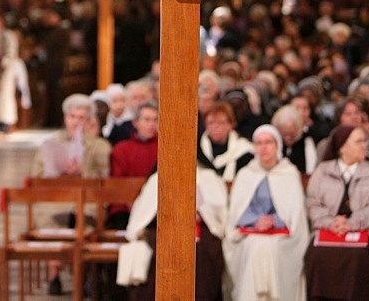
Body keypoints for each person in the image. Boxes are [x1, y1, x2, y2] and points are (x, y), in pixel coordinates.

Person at [30, 93, 111, 295]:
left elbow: (106, 178)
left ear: (89, 120)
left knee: (85, 220)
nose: (76, 121)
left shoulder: (100, 146)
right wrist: (57, 172)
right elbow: (36, 176)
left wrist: (82, 172)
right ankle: (54, 275)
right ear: (66, 118)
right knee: (49, 217)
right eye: (72, 117)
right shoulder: (50, 144)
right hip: (56, 199)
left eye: (81, 117)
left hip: (88, 200)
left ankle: (83, 274)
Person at [117, 164, 228, 301]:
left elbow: (216, 218)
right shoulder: (157, 178)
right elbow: (146, 215)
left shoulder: (207, 178)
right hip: (161, 229)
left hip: (201, 231)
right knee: (159, 251)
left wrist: (201, 215)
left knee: (204, 252)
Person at [223, 124, 308, 301]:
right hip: (249, 232)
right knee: (256, 245)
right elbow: (238, 211)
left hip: (282, 234)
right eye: (259, 143)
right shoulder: (246, 174)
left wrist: (273, 221)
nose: (263, 148)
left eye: (268, 142)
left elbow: (294, 212)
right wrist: (256, 221)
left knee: (267, 246)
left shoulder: (289, 173)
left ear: (277, 145)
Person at [304, 124, 369, 301]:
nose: (365, 145)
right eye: (359, 142)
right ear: (343, 147)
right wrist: (331, 223)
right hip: (327, 229)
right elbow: (312, 204)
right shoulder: (322, 171)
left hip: (362, 230)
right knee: (317, 254)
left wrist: (352, 223)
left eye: (365, 141)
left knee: (358, 256)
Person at [197, 102, 254, 181]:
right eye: (210, 123)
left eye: (220, 123)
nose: (215, 127)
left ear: (231, 125)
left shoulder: (245, 151)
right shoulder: (197, 152)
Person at [272, 104, 317, 174]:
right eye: (284, 134)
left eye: (291, 134)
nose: (288, 138)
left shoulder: (307, 141)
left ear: (299, 129)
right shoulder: (274, 143)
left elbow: (310, 170)